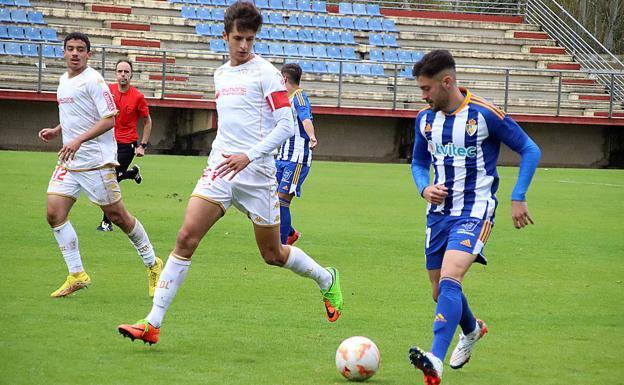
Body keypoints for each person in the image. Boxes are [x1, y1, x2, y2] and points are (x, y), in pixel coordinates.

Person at [117, 1, 342, 345]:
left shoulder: (266, 73)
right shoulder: (220, 74)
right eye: (238, 38)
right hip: (220, 169)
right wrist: (228, 157)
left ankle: (327, 279)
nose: (244, 45)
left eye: (250, 39)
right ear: (225, 36)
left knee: (273, 254)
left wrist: (249, 156)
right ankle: (153, 322)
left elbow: (285, 124)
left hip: (257, 174)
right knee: (185, 238)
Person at [406, 50, 541, 385]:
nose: (423, 96)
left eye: (426, 89)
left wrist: (518, 196)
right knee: (439, 291)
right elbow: (419, 164)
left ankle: (435, 359)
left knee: (452, 279)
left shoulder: (484, 114)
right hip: (438, 214)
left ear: (447, 82)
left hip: (475, 210)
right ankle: (472, 328)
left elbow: (530, 149)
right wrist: (424, 189)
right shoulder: (424, 119)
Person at [38, 32, 163, 298]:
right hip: (71, 160)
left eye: (80, 49)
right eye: (70, 48)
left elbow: (109, 119)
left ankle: (153, 264)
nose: (74, 53)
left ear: (88, 54)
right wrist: (57, 130)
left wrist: (78, 141)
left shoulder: (94, 81)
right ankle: (77, 274)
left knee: (119, 217)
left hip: (96, 162)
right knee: (54, 213)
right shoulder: (63, 81)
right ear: (63, 52)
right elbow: (76, 115)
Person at [97, 59, 153, 232]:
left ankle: (106, 222)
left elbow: (147, 121)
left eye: (126, 72)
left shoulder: (138, 97)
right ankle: (132, 173)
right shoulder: (108, 91)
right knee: (109, 178)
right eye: (120, 71)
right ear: (116, 73)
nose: (123, 75)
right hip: (108, 142)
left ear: (131, 75)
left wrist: (142, 145)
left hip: (127, 144)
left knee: (111, 181)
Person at [276, 63, 317, 245]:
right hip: (282, 156)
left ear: (284, 78)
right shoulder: (285, 98)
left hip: (297, 158)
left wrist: (312, 137)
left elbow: (305, 118)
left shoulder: (300, 97)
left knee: (282, 199)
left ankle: (282, 244)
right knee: (269, 200)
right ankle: (290, 233)